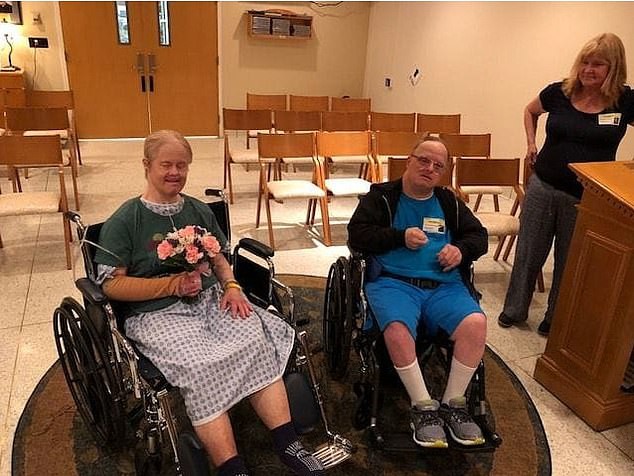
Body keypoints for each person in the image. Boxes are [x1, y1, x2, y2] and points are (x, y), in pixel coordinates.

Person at [93, 130, 324, 476]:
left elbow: (218, 258)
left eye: (182, 165)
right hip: (155, 313)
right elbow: (112, 284)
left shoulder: (198, 210)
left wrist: (231, 285)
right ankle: (232, 468)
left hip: (210, 297)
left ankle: (288, 443)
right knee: (200, 365)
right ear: (147, 165)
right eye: (166, 165)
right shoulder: (127, 219)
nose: (175, 172)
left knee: (254, 339)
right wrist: (171, 285)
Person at [348, 136, 488, 448]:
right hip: (392, 282)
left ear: (444, 172)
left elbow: (479, 236)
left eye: (438, 165)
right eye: (423, 160)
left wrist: (461, 250)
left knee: (476, 324)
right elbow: (357, 235)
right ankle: (423, 407)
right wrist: (398, 237)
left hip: (444, 285)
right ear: (409, 161)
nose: (429, 169)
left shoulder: (449, 202)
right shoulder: (382, 197)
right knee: (397, 329)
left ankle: (453, 404)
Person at [498, 33, 634, 336]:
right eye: (585, 62)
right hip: (543, 185)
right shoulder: (560, 91)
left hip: (586, 197)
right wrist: (531, 142)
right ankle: (515, 308)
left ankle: (555, 316)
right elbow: (530, 110)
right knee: (529, 251)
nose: (588, 69)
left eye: (598, 64)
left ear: (614, 67)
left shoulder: (625, 101)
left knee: (569, 259)